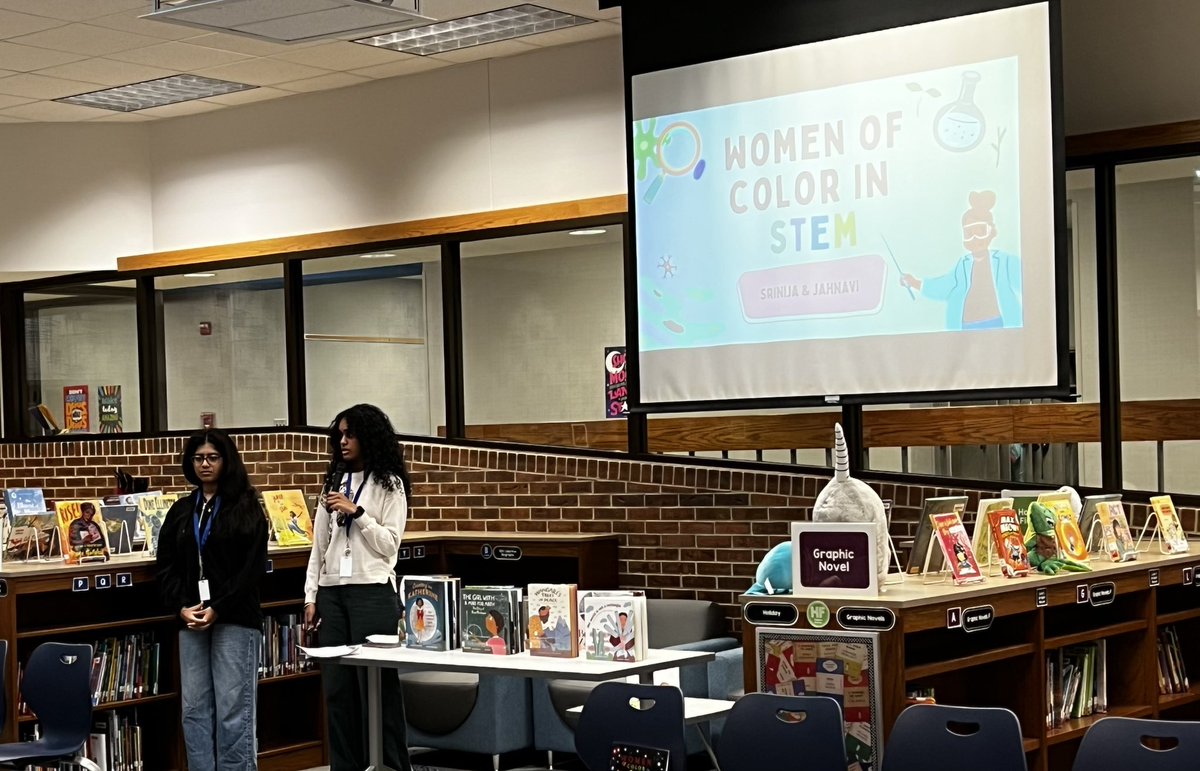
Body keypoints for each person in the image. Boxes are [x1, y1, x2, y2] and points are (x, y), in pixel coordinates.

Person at [304, 404, 413, 771]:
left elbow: (390, 545)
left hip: (371, 591)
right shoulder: (333, 481)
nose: (343, 441)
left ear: (369, 437)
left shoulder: (388, 484)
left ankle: (392, 766)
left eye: (350, 434)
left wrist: (358, 513)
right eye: (340, 435)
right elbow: (318, 546)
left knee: (377, 692)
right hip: (332, 594)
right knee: (338, 691)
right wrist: (311, 596)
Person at [156, 429, 268, 771]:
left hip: (233, 619)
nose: (205, 464)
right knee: (194, 709)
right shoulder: (181, 510)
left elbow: (251, 571)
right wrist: (181, 608)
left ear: (226, 460)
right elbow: (166, 565)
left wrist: (218, 607)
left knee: (234, 709)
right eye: (199, 458)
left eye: (212, 457)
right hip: (191, 620)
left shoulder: (246, 507)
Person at [900, 190, 1023, 330]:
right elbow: (945, 285)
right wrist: (914, 282)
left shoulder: (1004, 261)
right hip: (966, 330)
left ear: (991, 232)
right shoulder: (963, 265)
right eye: (969, 233)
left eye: (980, 231)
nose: (975, 238)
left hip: (998, 327)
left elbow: (1030, 283)